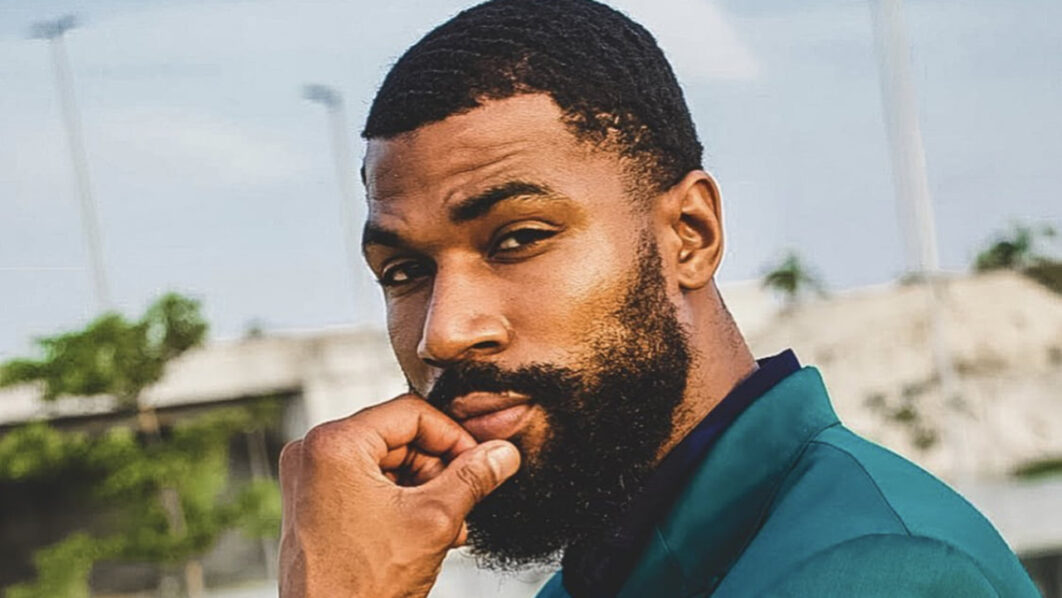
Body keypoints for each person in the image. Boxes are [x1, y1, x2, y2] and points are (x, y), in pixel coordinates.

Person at [278, 1, 1039, 596]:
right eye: (404, 273)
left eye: (518, 238)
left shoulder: (875, 571)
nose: (442, 333)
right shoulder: (611, 574)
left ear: (690, 235)